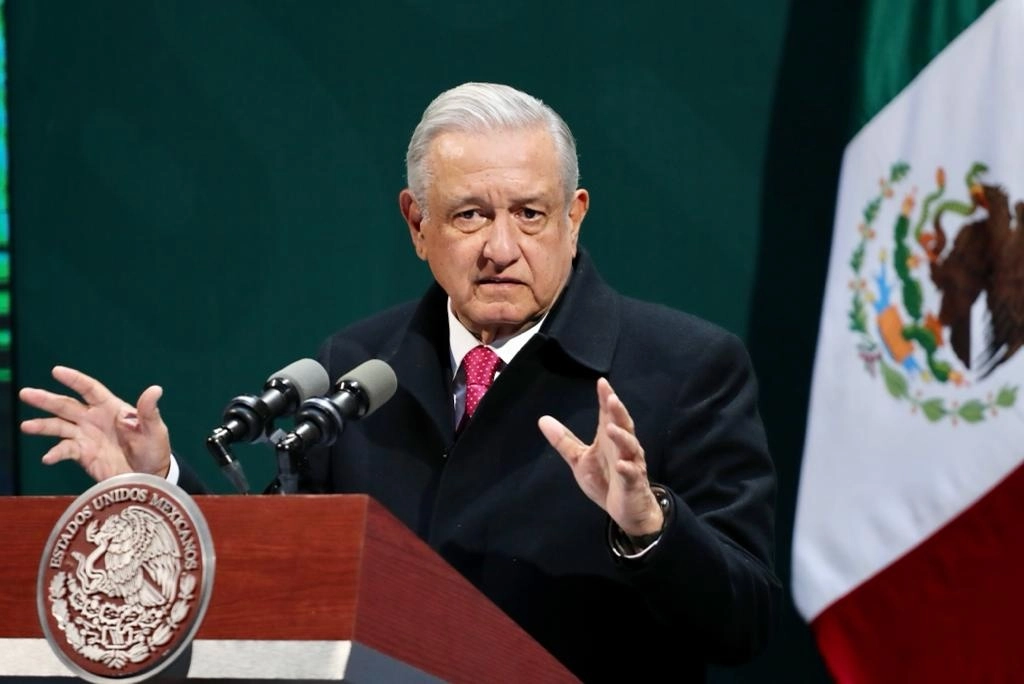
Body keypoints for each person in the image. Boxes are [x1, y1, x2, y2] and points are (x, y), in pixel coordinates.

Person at [20, 82, 779, 682]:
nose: (501, 248)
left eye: (531, 214)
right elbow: (287, 586)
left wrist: (649, 527)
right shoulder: (358, 366)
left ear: (575, 218)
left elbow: (745, 623)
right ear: (417, 224)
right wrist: (164, 486)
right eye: (471, 215)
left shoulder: (683, 369)